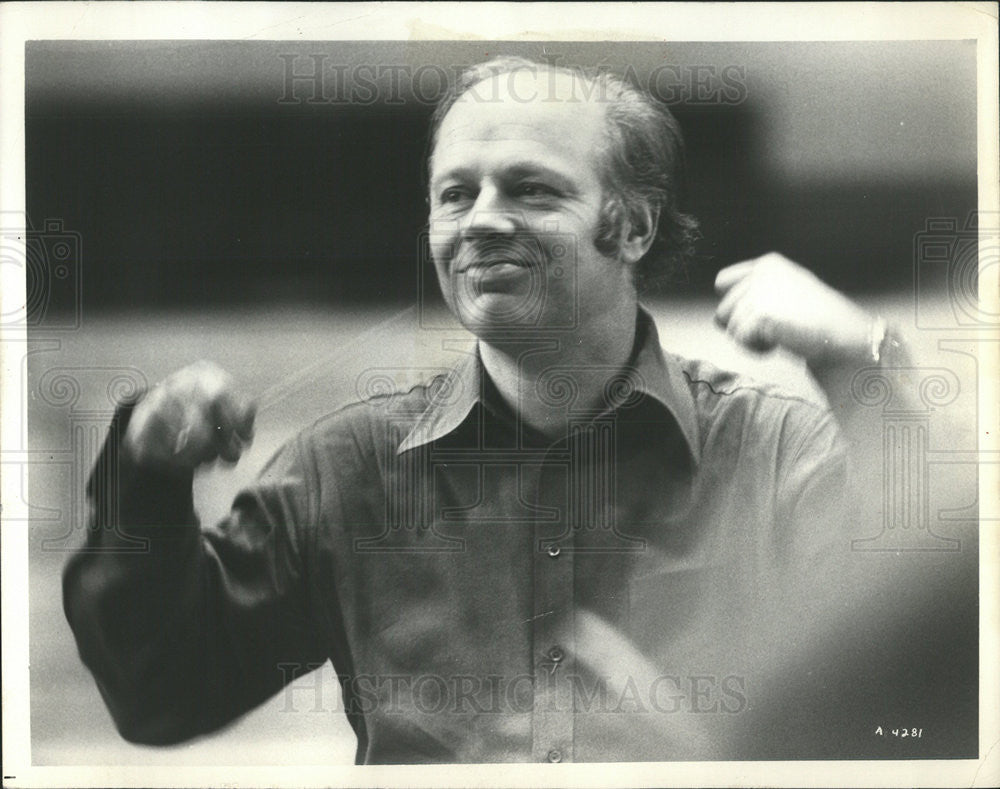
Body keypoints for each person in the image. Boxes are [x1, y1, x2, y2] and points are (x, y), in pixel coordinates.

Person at [64, 57, 923, 763]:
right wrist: (146, 475)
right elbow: (162, 695)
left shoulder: (773, 449)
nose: (479, 221)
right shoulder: (348, 466)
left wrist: (861, 363)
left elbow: (919, 700)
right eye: (454, 193)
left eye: (530, 190)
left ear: (631, 228)